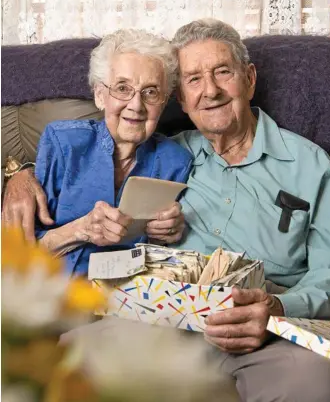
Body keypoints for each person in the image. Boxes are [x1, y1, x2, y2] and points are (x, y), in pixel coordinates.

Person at [3, 19, 330, 401]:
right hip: (164, 317)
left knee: (317, 384)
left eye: (222, 72)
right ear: (180, 99)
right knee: (57, 366)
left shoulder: (311, 165)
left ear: (249, 79)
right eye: (194, 79)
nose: (211, 91)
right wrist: (18, 173)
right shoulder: (171, 153)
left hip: (266, 324)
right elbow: (98, 156)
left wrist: (276, 306)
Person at [4, 29, 193, 277]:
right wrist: (81, 229)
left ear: (164, 101)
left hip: (130, 299)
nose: (136, 105)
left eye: (150, 92)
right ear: (100, 96)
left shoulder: (176, 161)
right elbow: (20, 253)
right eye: (123, 88)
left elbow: (163, 259)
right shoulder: (64, 143)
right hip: (51, 292)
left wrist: (172, 232)